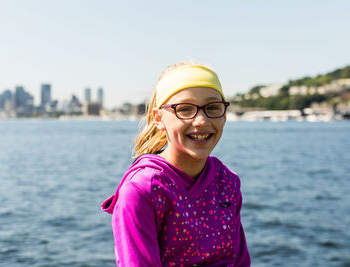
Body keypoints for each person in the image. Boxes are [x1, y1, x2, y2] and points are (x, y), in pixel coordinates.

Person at [102, 62, 251, 266]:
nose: (201, 121)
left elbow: (240, 261)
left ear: (224, 115)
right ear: (158, 119)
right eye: (185, 109)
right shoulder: (142, 191)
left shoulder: (227, 182)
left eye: (212, 108)